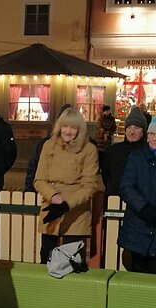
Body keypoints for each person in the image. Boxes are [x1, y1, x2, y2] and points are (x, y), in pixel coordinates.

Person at [34, 107, 100, 264]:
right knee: (47, 260)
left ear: (79, 129)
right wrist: (54, 196)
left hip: (76, 213)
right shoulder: (48, 146)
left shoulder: (89, 150)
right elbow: (39, 179)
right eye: (65, 126)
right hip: (51, 209)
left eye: (73, 127)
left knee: (72, 264)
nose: (68, 131)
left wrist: (66, 204)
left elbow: (89, 185)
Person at [118, 117, 156, 274]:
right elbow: (126, 186)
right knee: (137, 276)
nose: (154, 138)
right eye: (152, 134)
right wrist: (144, 207)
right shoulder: (137, 158)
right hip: (138, 226)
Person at [24, 104, 72, 193]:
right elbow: (33, 171)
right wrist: (29, 192)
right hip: (45, 195)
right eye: (65, 125)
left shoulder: (85, 148)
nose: (68, 130)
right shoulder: (44, 145)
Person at [102, 106, 148, 198]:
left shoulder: (149, 153)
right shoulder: (112, 152)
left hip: (142, 203)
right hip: (115, 200)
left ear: (143, 131)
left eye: (136, 127)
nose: (132, 132)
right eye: (129, 127)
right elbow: (106, 176)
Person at [95, 105, 116, 170]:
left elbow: (114, 127)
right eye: (106, 111)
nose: (107, 112)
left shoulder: (112, 119)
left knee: (107, 153)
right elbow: (99, 126)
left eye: (108, 110)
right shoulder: (100, 118)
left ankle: (105, 167)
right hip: (101, 139)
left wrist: (109, 133)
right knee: (100, 154)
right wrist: (104, 133)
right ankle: (99, 167)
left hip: (108, 139)